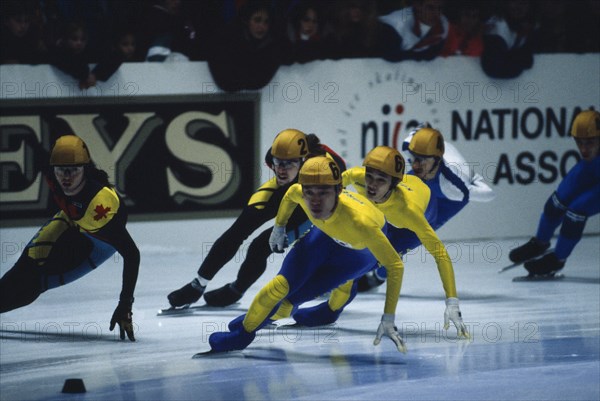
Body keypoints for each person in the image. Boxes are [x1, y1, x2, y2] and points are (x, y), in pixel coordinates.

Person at [207, 155, 409, 354]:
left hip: (357, 254)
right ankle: (244, 333)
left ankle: (330, 311)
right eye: (309, 192)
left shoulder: (363, 225)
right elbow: (289, 196)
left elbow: (396, 266)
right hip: (323, 235)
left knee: (291, 301)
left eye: (323, 193)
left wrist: (388, 318)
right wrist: (279, 227)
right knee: (280, 286)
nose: (315, 201)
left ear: (339, 190)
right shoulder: (298, 192)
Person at [292, 146, 470, 340]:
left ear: (392, 184)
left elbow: (440, 254)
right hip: (388, 210)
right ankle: (331, 303)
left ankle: (331, 310)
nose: (372, 185)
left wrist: (452, 303)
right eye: (370, 176)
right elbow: (336, 185)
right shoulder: (358, 177)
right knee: (348, 246)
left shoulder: (409, 213)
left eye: (381, 180)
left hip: (410, 226)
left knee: (361, 263)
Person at [167, 129, 346, 308]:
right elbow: (283, 176)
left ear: (303, 161)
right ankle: (197, 285)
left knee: (260, 246)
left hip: (311, 198)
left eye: (289, 164)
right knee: (239, 228)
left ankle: (237, 290)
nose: (281, 170)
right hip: (288, 189)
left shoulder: (326, 168)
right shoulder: (274, 159)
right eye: (278, 163)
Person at [0, 135, 140, 341]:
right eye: (61, 170)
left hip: (97, 238)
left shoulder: (99, 204)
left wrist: (125, 304)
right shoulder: (50, 170)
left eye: (73, 170)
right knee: (26, 265)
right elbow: (38, 148)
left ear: (85, 169)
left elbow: (132, 254)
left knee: (38, 282)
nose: (66, 177)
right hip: (71, 216)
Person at [359, 125, 495, 290]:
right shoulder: (409, 144)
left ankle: (377, 277)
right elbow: (419, 132)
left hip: (444, 203)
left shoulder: (454, 187)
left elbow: (489, 194)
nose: (415, 165)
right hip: (426, 183)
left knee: (398, 242)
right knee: (376, 216)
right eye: (414, 158)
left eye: (422, 160)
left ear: (437, 160)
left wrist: (475, 179)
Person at [509, 110, 600, 277]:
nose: (584, 149)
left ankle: (558, 260)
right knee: (556, 202)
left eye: (590, 142)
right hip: (592, 169)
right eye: (579, 142)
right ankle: (539, 243)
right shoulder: (590, 157)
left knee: (577, 210)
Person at [480, 0, 537, 79]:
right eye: (515, 2)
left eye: (524, 3)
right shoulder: (496, 25)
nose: (519, 7)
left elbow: (528, 62)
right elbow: (494, 68)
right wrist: (519, 53)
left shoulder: (529, 27)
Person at [379, 0, 449, 61]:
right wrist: (422, 55)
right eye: (430, 7)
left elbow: (433, 53)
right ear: (418, 6)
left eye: (440, 8)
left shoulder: (443, 24)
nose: (436, 13)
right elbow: (390, 56)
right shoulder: (397, 23)